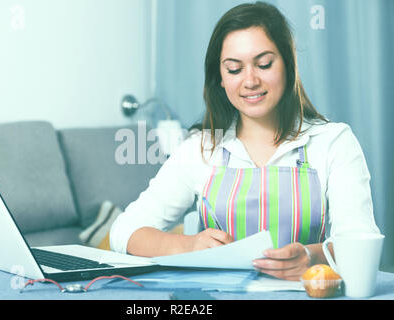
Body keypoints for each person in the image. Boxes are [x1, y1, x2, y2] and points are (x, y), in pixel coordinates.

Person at [109, 1, 380, 281]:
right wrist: (188, 245)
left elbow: (362, 243)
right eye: (234, 69)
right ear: (221, 79)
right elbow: (123, 232)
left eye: (263, 64)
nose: (249, 81)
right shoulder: (200, 149)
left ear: (288, 65)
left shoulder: (333, 142)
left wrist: (312, 257)